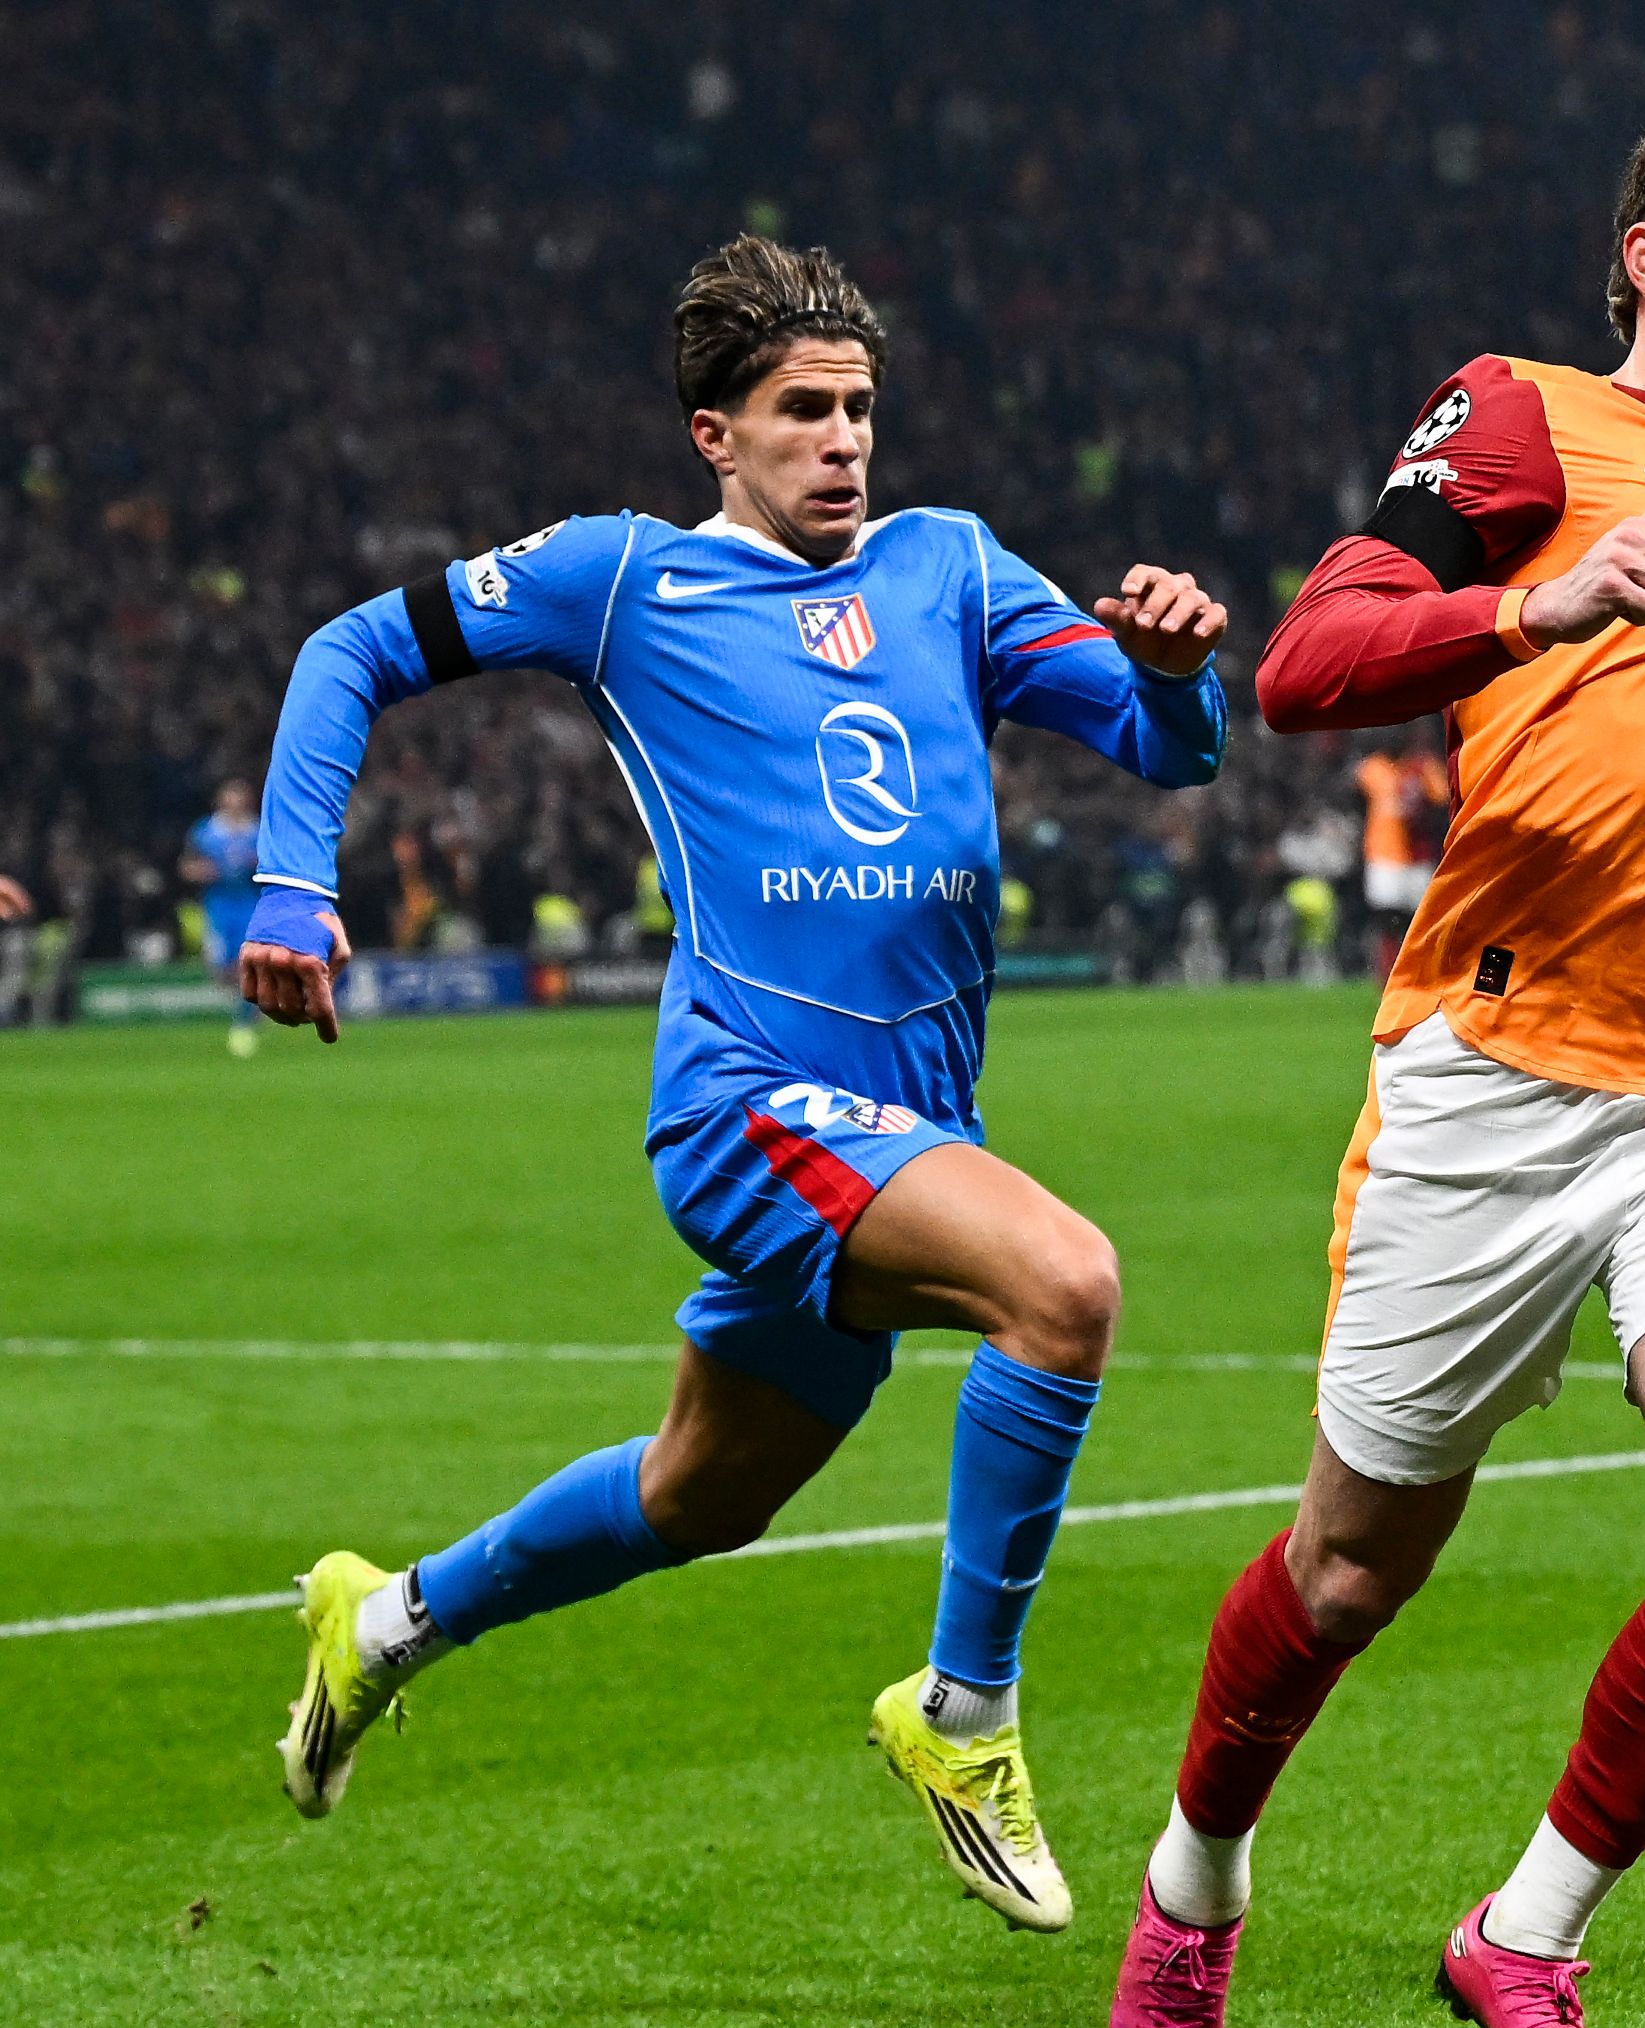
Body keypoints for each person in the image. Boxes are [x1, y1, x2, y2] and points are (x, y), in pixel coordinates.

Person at [242, 235, 1232, 1932]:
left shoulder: (954, 568)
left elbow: (1172, 746)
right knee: (1064, 1283)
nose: (843, 440)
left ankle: (385, 1619)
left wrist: (1169, 661)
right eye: (802, 412)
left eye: (859, 408)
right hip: (747, 1103)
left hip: (911, 1122)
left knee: (696, 1496)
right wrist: (288, 881)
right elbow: (349, 651)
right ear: (716, 432)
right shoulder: (621, 578)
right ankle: (963, 1710)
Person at [1105, 106, 1645, 2028]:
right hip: (1495, 1075)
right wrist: (1532, 615)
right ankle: (1193, 1885)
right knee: (1351, 1567)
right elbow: (1298, 667)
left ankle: (1526, 1937)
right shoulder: (1519, 422)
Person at [1352, 721, 1455, 974]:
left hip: (1417, 856)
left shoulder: (1423, 767)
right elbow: (1355, 805)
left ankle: (1418, 974)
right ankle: (1388, 975)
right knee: (1387, 919)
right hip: (1383, 856)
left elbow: (1444, 803)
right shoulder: (1372, 768)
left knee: (1418, 922)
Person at [180, 778, 265, 1056]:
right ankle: (247, 1004)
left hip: (249, 904)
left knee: (248, 964)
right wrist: (202, 872)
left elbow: (277, 864)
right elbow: (186, 867)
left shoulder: (258, 829)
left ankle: (244, 1020)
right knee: (221, 971)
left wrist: (259, 865)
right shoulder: (205, 831)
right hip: (217, 906)